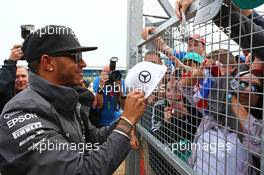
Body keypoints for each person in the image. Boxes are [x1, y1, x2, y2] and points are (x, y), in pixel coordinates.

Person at [0, 25, 146, 175]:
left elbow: (93, 140)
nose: (83, 64)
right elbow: (81, 171)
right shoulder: (22, 111)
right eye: (76, 56)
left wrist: (126, 119)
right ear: (48, 62)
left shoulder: (66, 101)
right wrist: (126, 123)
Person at [0, 44, 24, 112]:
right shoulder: (6, 98)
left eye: (23, 76)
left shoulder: (35, 96)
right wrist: (11, 62)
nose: (20, 80)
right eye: (17, 77)